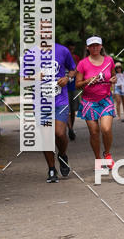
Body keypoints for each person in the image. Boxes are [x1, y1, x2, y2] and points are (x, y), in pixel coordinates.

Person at [21, 42, 77, 183]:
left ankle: (62, 155)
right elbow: (21, 79)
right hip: (41, 103)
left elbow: (73, 69)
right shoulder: (30, 54)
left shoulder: (62, 50)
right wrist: (35, 77)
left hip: (60, 101)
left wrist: (67, 78)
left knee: (60, 133)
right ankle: (51, 169)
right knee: (46, 137)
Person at [75, 36, 117, 167]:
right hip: (89, 101)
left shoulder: (109, 60)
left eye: (97, 45)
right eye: (92, 46)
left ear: (101, 46)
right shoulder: (82, 63)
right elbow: (77, 84)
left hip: (105, 99)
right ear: (88, 48)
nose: (95, 47)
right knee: (94, 133)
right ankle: (98, 158)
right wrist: (87, 81)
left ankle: (107, 154)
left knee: (106, 129)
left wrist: (114, 80)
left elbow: (113, 76)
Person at [66, 41, 81, 140]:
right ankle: (70, 129)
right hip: (64, 88)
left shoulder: (76, 57)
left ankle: (71, 128)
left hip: (74, 87)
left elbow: (78, 69)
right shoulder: (62, 57)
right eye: (70, 49)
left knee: (73, 110)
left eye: (72, 49)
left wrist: (73, 58)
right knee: (66, 110)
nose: (71, 50)